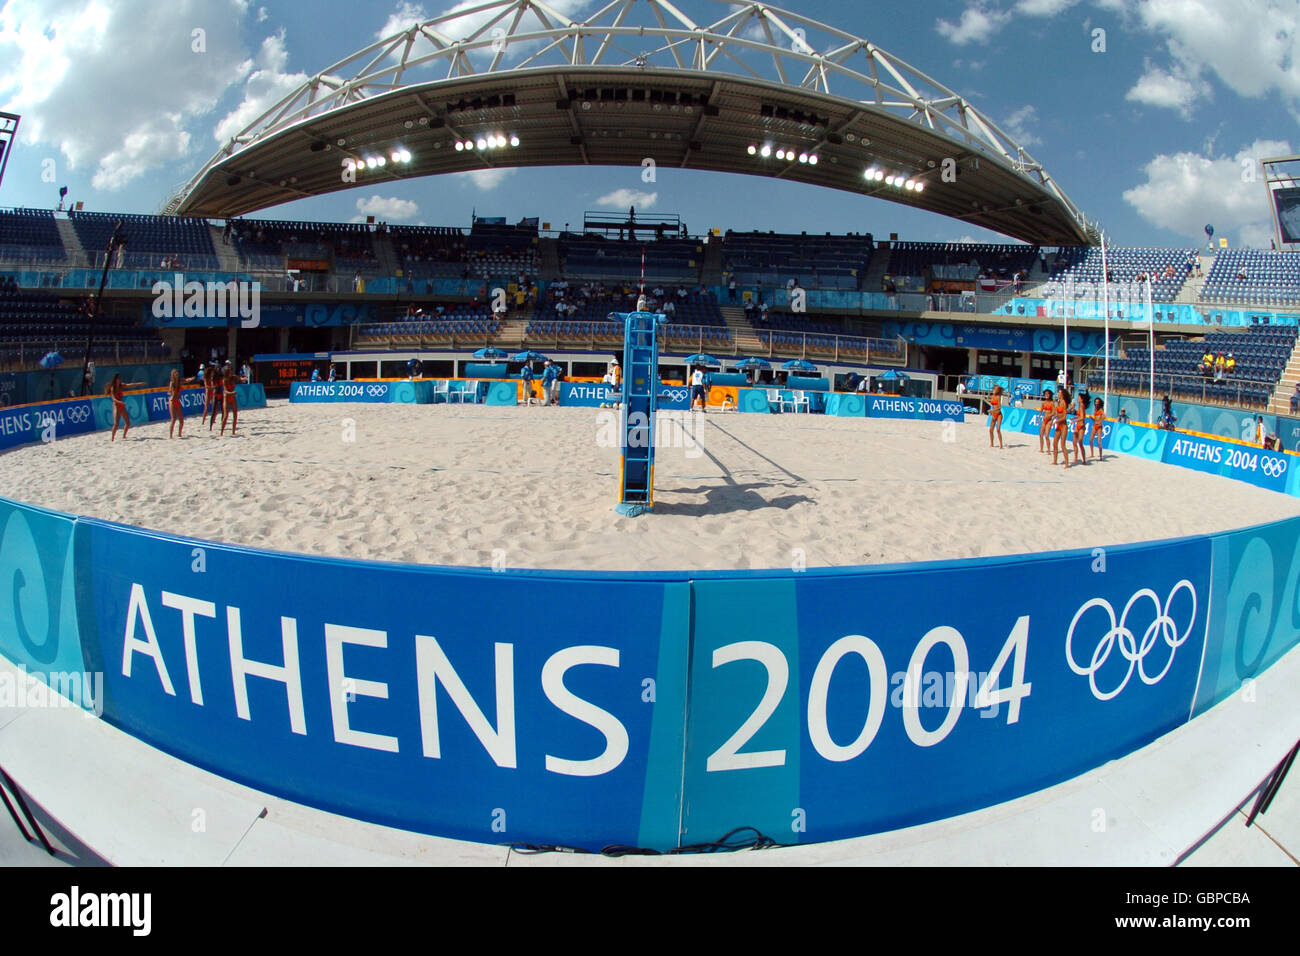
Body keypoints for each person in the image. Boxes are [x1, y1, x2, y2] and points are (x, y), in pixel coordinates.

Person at [106, 373, 143, 442]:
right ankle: (112, 438)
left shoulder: (121, 386)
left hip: (121, 405)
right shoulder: (113, 388)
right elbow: (113, 399)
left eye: (119, 379)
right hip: (116, 405)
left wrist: (139, 384)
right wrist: (120, 402)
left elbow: (130, 385)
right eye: (118, 379)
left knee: (128, 423)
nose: (119, 380)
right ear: (115, 380)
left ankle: (124, 436)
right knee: (116, 423)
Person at [220, 363, 242, 437]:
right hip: (227, 397)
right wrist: (232, 392)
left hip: (232, 397)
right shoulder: (224, 380)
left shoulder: (233, 377)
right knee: (226, 415)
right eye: (230, 372)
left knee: (235, 414)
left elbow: (239, 378)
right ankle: (222, 432)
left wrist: (242, 379)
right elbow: (225, 391)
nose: (232, 373)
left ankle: (233, 431)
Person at [1052, 387, 1071, 467]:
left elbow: (1064, 417)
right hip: (1059, 425)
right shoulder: (1059, 402)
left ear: (1062, 394)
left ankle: (1067, 463)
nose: (1058, 394)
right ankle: (1055, 461)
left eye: (1059, 393)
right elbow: (1057, 414)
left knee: (1063, 445)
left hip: (1063, 426)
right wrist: (1053, 416)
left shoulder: (1064, 403)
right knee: (1054, 443)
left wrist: (1056, 420)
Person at [168, 368, 186, 439]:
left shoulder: (180, 381)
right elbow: (171, 391)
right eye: (175, 373)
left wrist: (191, 379)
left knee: (181, 420)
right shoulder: (172, 383)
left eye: (177, 373)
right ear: (173, 375)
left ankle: (179, 434)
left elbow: (186, 380)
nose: (177, 374)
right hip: (172, 401)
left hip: (177, 401)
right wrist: (172, 390)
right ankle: (170, 436)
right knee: (173, 419)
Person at [1072, 392, 1089, 465]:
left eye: (1079, 397)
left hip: (1081, 426)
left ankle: (1084, 460)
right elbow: (1080, 416)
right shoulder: (1080, 406)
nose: (1078, 399)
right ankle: (1076, 457)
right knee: (1074, 442)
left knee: (1080, 443)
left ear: (1081, 399)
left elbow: (1082, 417)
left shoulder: (1082, 406)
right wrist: (1074, 417)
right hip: (1078, 425)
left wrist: (1075, 421)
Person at [1089, 397, 1105, 461]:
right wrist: (1092, 418)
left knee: (1099, 442)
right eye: (1095, 402)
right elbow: (1095, 419)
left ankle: (1101, 456)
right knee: (1090, 440)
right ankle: (1092, 454)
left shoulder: (1101, 409)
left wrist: (1100, 421)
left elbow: (1104, 416)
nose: (1096, 403)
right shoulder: (1095, 409)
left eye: (1097, 402)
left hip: (1099, 426)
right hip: (1095, 425)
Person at [1039, 388, 1054, 453]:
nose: (1046, 395)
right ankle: (1041, 449)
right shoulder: (1044, 402)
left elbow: (1054, 412)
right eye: (1045, 394)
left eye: (1047, 394)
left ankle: (1048, 449)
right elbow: (1041, 410)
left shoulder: (1052, 403)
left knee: (1047, 435)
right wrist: (1039, 417)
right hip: (1044, 419)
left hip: (1049, 420)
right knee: (1041, 435)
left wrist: (1049, 416)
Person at [988, 385, 1004, 449]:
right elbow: (993, 405)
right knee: (990, 430)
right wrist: (992, 412)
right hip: (994, 414)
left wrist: (992, 411)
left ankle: (1001, 445)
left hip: (999, 414)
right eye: (993, 389)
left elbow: (999, 408)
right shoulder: (992, 396)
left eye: (995, 390)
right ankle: (992, 443)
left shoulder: (998, 397)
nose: (994, 391)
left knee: (998, 429)